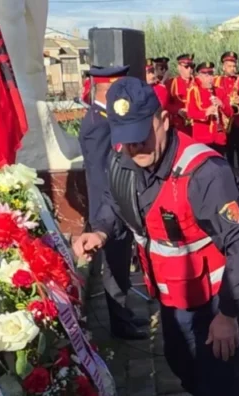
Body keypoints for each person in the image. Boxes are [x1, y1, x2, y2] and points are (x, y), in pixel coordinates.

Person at [72, 77, 239, 396]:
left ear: (163, 120)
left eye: (142, 134)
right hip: (173, 296)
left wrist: (228, 315)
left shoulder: (204, 173)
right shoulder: (124, 158)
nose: (134, 148)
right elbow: (114, 206)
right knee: (182, 365)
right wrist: (99, 231)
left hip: (218, 300)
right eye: (125, 138)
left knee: (221, 391)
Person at [77, 65, 147, 341]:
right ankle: (120, 324)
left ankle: (125, 315)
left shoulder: (105, 118)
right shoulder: (98, 124)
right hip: (108, 205)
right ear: (107, 91)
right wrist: (113, 207)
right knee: (114, 269)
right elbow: (102, 172)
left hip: (116, 201)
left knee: (121, 263)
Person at [215, 51, 239, 187]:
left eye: (234, 66)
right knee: (228, 152)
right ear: (223, 67)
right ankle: (230, 177)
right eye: (229, 66)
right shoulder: (217, 80)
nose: (232, 69)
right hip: (226, 121)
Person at [186, 61, 229, 152]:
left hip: (219, 137)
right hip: (203, 139)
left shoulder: (220, 91)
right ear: (199, 76)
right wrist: (206, 112)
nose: (210, 78)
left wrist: (222, 104)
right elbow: (190, 113)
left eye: (211, 75)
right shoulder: (194, 91)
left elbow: (230, 112)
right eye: (206, 76)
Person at [166, 54, 195, 133]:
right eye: (186, 67)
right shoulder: (172, 83)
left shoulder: (198, 83)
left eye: (192, 66)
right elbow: (165, 104)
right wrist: (178, 110)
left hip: (195, 125)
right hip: (179, 126)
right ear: (179, 67)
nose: (190, 69)